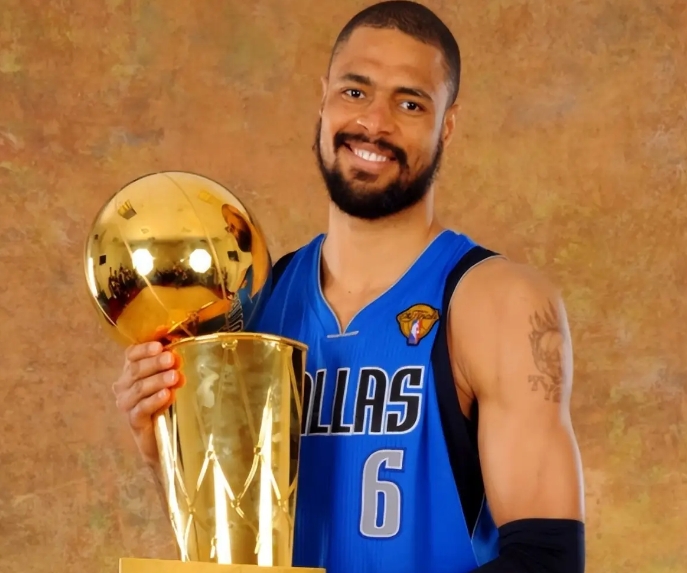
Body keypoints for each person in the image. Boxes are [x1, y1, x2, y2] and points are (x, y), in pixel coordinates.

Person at [111, 2, 585, 572]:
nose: (374, 124)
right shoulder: (253, 305)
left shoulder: (496, 302)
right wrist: (165, 451)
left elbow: (546, 559)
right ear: (324, 99)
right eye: (355, 92)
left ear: (447, 124)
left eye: (409, 103)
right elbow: (231, 549)